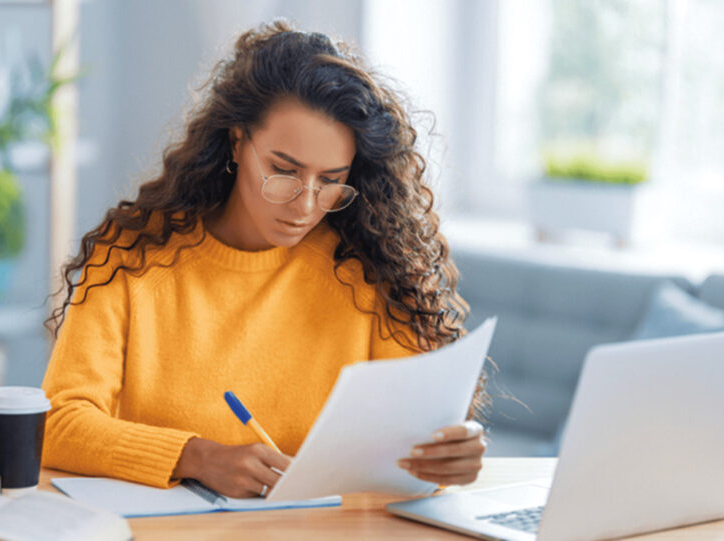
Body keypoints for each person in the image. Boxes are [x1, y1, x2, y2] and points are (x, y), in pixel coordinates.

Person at [40, 20, 488, 499]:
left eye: (331, 179)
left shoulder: (368, 270)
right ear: (237, 141)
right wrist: (197, 456)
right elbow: (58, 423)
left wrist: (448, 456)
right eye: (284, 171)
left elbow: (413, 447)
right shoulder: (132, 257)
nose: (305, 205)